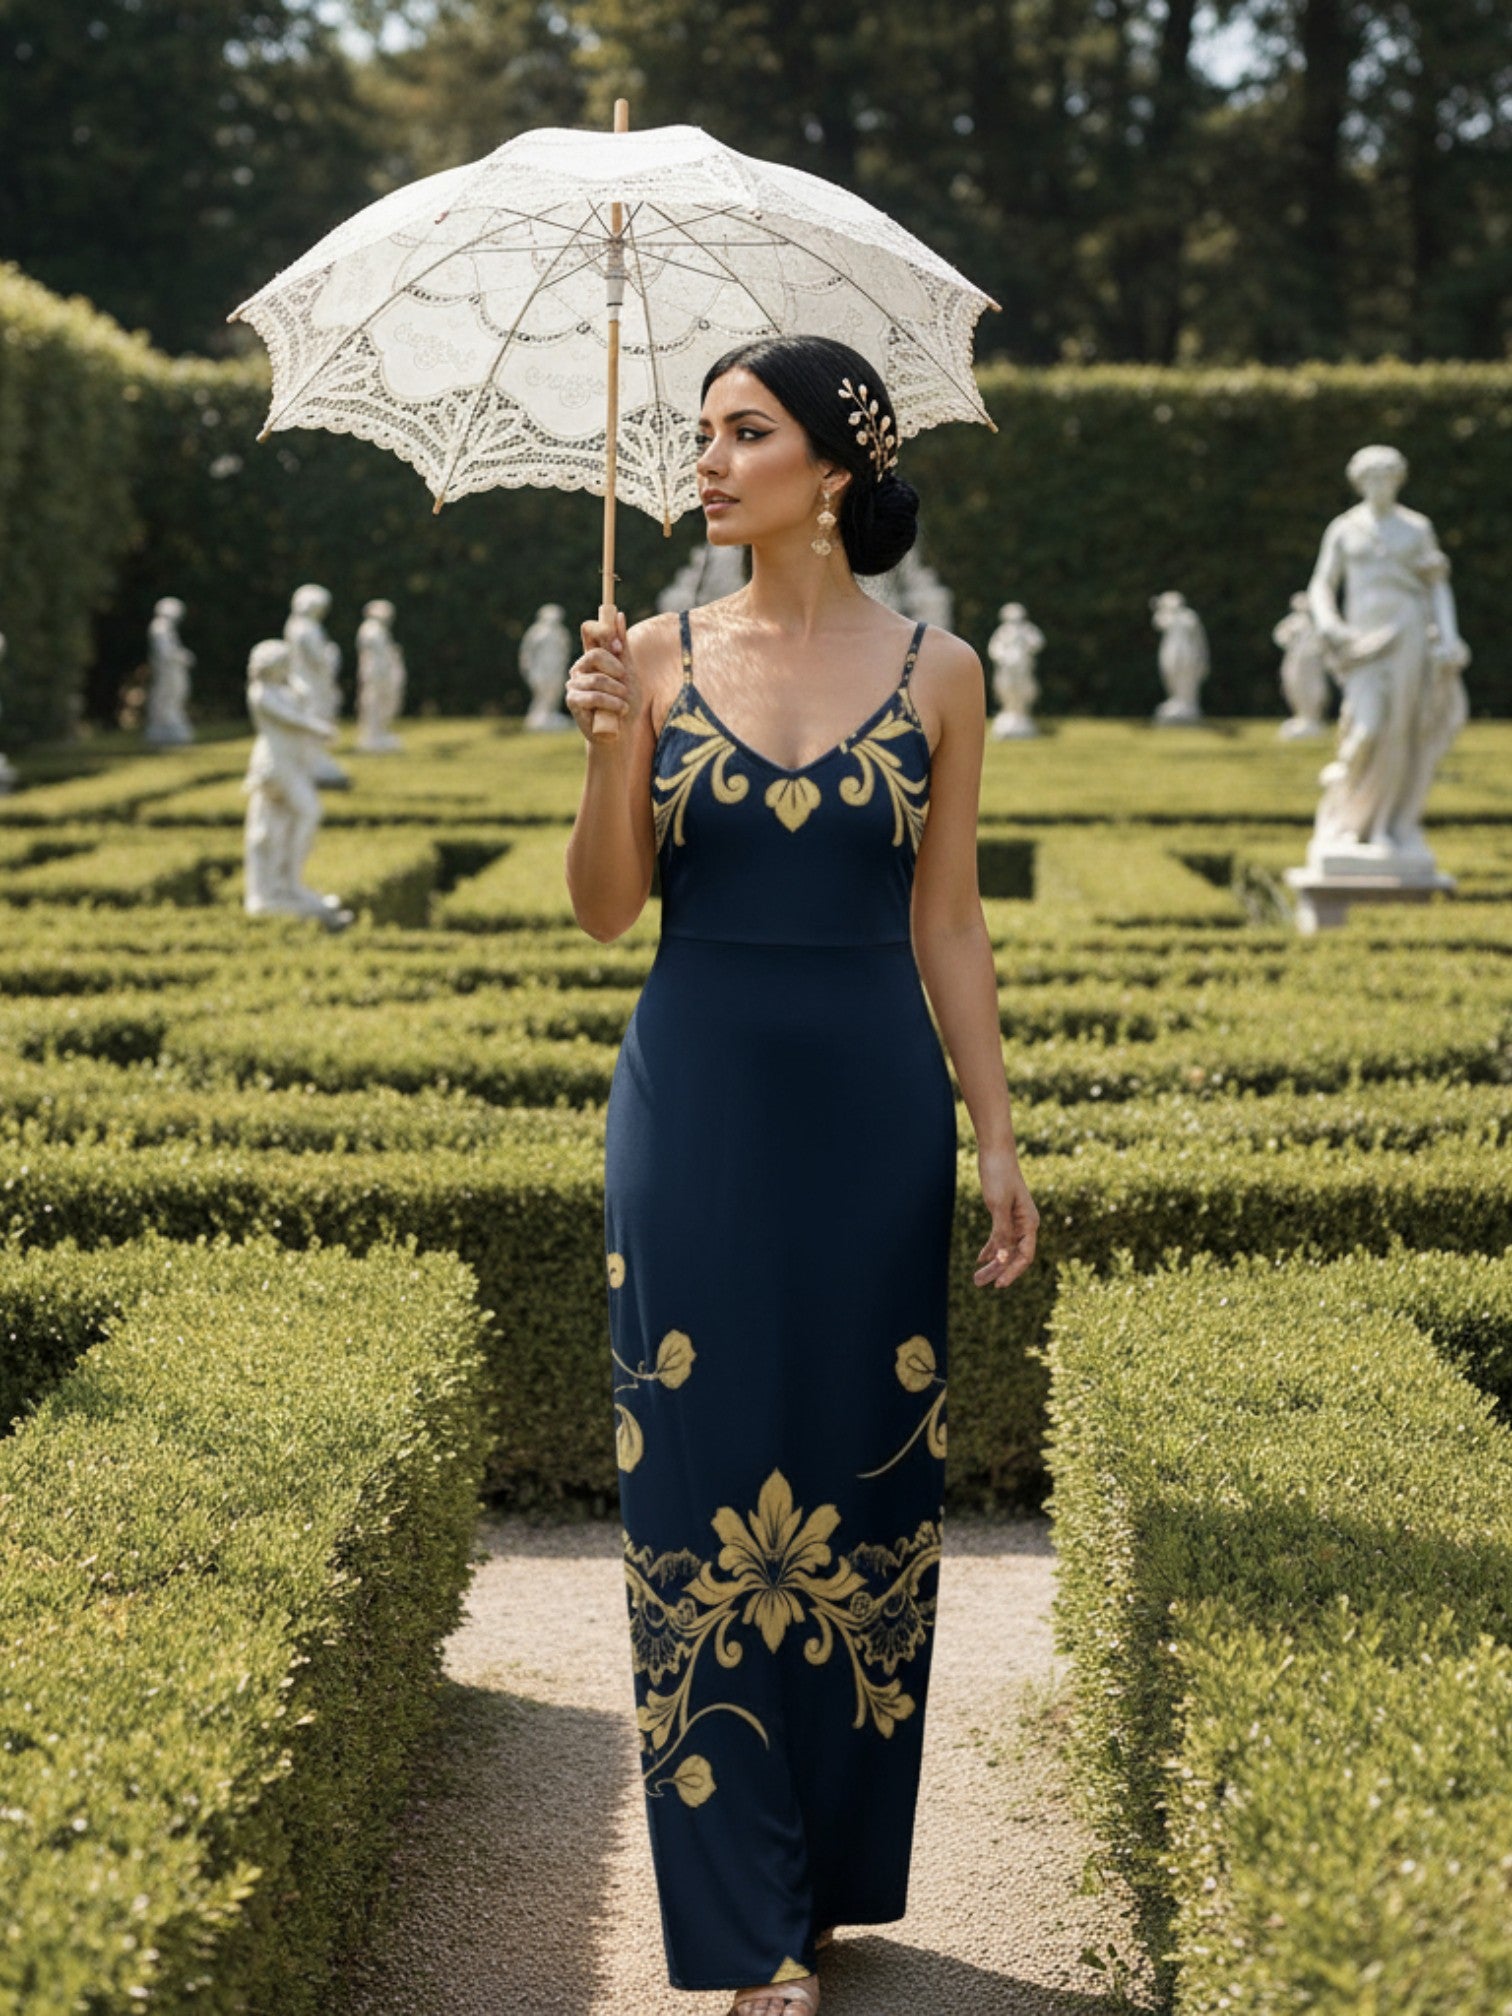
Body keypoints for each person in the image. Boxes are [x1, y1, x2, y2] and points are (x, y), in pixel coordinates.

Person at [563, 333, 1039, 2015]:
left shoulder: (942, 671)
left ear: (831, 469)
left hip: (871, 1122)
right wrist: (611, 743)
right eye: (700, 434)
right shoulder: (652, 652)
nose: (706, 460)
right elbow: (608, 908)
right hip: (687, 1112)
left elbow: (950, 921)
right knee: (699, 1496)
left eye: (743, 433)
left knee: (862, 1495)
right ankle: (744, 1920)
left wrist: (993, 1131)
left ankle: (824, 1876)